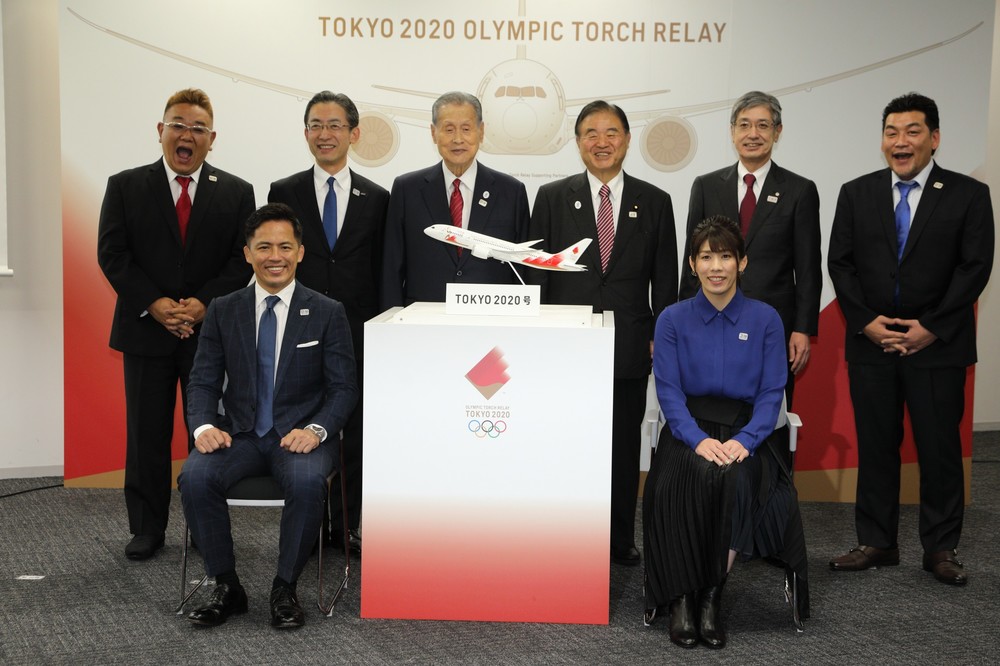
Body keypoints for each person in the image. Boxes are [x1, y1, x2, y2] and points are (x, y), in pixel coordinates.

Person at [827, 93, 994, 586]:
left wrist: (931, 327)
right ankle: (876, 542)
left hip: (938, 344)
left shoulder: (967, 194)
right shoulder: (856, 192)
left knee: (939, 449)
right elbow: (840, 263)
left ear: (935, 138)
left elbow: (975, 267)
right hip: (871, 342)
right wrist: (866, 322)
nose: (901, 142)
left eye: (913, 131)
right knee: (877, 445)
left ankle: (941, 549)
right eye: (892, 132)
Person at [179, 203, 358, 629]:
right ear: (247, 253)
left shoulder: (328, 311)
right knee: (195, 476)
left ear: (300, 252)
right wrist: (203, 426)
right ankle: (227, 586)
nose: (273, 256)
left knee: (307, 479)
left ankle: (285, 587)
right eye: (263, 247)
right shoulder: (223, 309)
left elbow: (344, 388)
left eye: (284, 246)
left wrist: (316, 430)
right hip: (238, 434)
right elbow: (202, 381)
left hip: (300, 436)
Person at [97, 88, 255, 561]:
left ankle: (205, 527)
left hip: (208, 335)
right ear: (160, 130)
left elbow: (240, 259)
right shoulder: (125, 185)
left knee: (205, 432)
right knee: (146, 433)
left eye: (198, 128)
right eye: (178, 124)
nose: (187, 135)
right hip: (146, 329)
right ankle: (147, 529)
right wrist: (156, 304)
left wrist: (202, 305)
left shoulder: (236, 191)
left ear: (212, 139)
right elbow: (113, 254)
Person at [643, 216, 809, 649]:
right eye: (706, 257)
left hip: (746, 431)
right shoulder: (672, 319)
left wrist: (745, 440)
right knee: (684, 479)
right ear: (693, 266)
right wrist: (697, 439)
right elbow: (669, 392)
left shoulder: (767, 318)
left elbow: (773, 391)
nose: (716, 266)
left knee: (734, 479)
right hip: (688, 430)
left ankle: (711, 596)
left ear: (742, 262)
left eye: (725, 256)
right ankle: (682, 598)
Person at [529, 101, 677, 566]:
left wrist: (661, 333)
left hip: (629, 345)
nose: (601, 142)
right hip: (566, 345)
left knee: (620, 445)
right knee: (566, 440)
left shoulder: (655, 200)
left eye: (611, 132)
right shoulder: (552, 197)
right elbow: (538, 273)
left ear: (627, 140)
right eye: (590, 133)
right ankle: (566, 533)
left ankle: (617, 538)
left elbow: (666, 279)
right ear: (577, 143)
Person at [268, 91, 389, 555]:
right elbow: (274, 263)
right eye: (316, 125)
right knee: (304, 427)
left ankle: (350, 525)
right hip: (299, 331)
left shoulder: (378, 198)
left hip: (358, 333)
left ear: (354, 134)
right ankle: (312, 524)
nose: (326, 134)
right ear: (305, 134)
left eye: (336, 125)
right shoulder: (285, 192)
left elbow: (382, 269)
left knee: (355, 433)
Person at [679, 91, 821, 414]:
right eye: (744, 125)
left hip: (773, 328)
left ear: (777, 132)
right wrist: (683, 323)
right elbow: (691, 263)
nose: (752, 134)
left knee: (768, 419)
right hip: (709, 322)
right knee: (709, 414)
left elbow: (809, 268)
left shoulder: (800, 191)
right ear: (732, 132)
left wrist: (802, 329)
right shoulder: (706, 185)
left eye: (762, 125)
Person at [381, 91, 530, 307]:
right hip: (423, 320)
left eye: (467, 129)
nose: (458, 139)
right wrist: (391, 322)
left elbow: (523, 269)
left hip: (491, 320)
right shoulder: (407, 189)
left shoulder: (511, 192)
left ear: (481, 132)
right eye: (448, 129)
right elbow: (391, 268)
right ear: (433, 133)